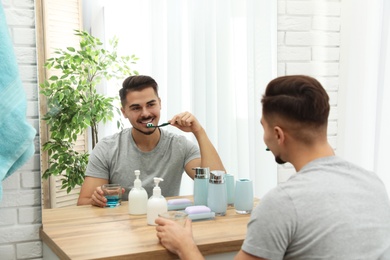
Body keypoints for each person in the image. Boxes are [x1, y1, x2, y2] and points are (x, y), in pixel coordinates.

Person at [155, 75, 390, 259]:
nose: (264, 136)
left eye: (263, 127)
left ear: (278, 135)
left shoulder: (282, 203)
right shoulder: (372, 183)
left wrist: (184, 246)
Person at [77, 75, 225, 207]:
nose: (145, 113)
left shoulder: (180, 146)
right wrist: (96, 200)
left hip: (167, 228)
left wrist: (199, 131)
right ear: (124, 112)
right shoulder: (107, 148)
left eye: (151, 104)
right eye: (136, 108)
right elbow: (83, 202)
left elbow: (217, 186)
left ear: (160, 103)